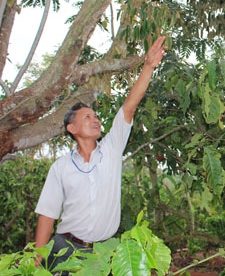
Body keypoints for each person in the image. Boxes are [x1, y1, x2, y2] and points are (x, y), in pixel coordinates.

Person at [34, 35, 167, 272]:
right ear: (72, 129)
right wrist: (36, 263)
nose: (95, 119)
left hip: (105, 252)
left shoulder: (112, 149)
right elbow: (47, 215)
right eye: (87, 117)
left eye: (96, 116)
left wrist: (148, 66)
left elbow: (129, 106)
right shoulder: (61, 167)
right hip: (66, 251)